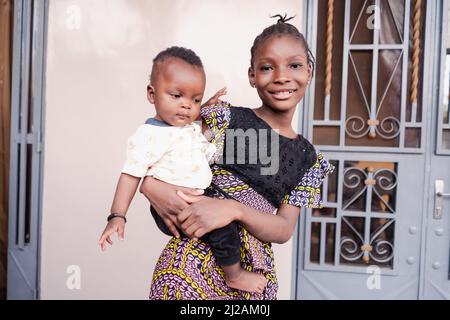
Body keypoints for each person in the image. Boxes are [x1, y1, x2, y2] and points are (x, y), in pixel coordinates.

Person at [138, 14, 335, 300]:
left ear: (309, 71)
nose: (281, 76)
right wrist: (149, 184)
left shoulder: (308, 160)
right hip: (189, 267)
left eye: (294, 65)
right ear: (252, 76)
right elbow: (161, 152)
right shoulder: (224, 119)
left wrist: (234, 209)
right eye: (267, 67)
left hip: (252, 277)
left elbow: (282, 229)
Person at [98, 46, 268, 294]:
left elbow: (199, 133)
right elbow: (130, 174)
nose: (186, 106)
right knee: (223, 228)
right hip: (176, 205)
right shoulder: (149, 135)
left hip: (196, 199)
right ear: (151, 94)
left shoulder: (186, 127)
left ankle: (218, 270)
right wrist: (117, 216)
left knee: (221, 220)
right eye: (176, 96)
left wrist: (206, 108)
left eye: (195, 99)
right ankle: (235, 275)